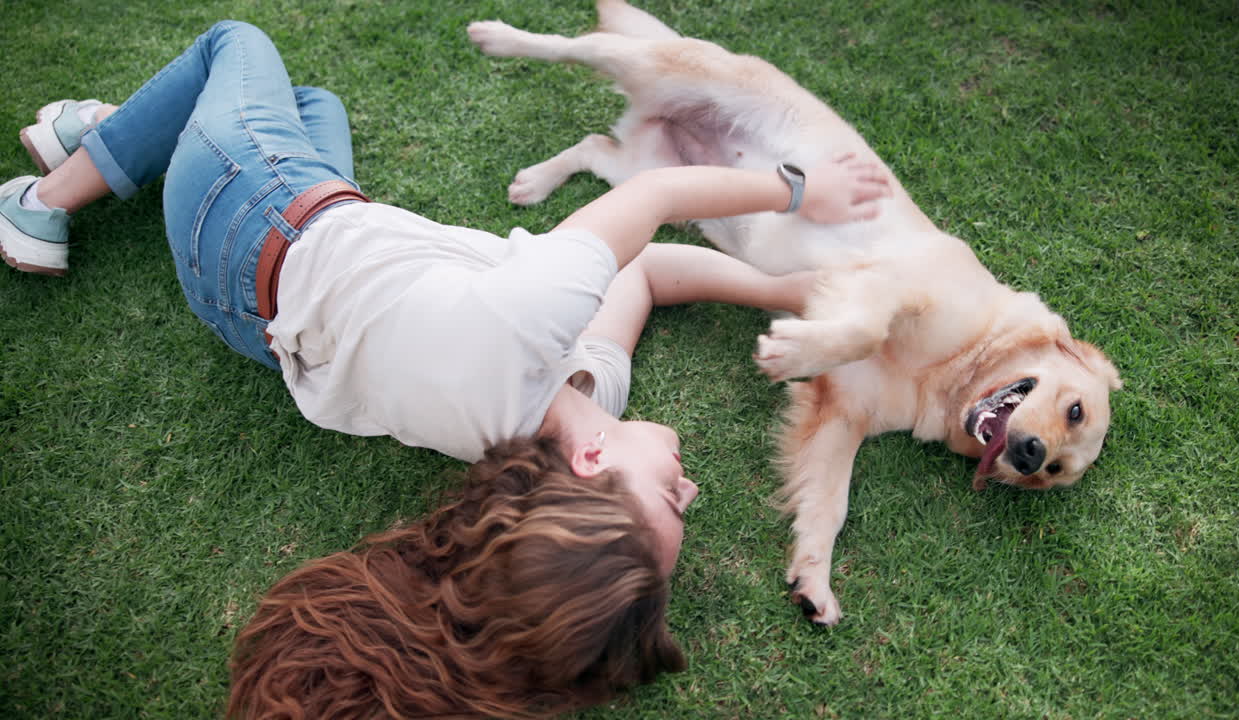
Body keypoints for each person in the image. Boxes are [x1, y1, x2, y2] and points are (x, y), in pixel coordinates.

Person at [0, 20, 890, 720]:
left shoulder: (517, 338)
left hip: (244, 216)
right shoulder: (572, 407)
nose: (691, 490)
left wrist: (796, 188)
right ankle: (111, 134)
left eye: (668, 500)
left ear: (590, 468)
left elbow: (650, 205)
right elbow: (648, 274)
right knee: (317, 105)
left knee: (236, 44)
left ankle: (46, 201)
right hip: (262, 312)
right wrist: (781, 285)